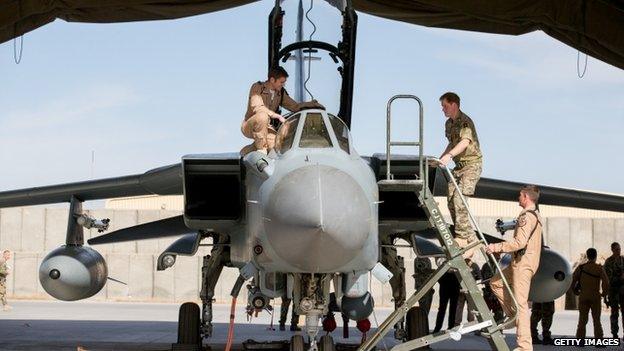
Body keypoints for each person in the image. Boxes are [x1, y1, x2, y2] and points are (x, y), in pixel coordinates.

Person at [486, 185, 543, 351]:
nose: (518, 198)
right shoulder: (532, 215)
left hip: (523, 264)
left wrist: (496, 247)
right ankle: (513, 317)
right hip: (518, 263)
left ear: (526, 196)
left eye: (520, 195)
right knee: (496, 282)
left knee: (521, 304)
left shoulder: (527, 216)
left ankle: (524, 347)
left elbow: (519, 243)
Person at [437, 92, 482, 258]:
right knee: (451, 200)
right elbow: (452, 143)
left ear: (454, 105)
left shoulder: (465, 122)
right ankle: (471, 239)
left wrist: (449, 156)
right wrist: (441, 157)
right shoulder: (449, 124)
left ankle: (463, 238)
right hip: (458, 167)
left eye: (445, 106)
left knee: (459, 200)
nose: (443, 109)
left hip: (471, 165)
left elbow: (464, 142)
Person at [241, 66, 323, 155]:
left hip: (267, 127)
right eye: (281, 82)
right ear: (272, 80)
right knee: (262, 116)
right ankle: (261, 150)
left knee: (275, 148)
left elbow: (294, 106)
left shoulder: (280, 93)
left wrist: (312, 104)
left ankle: (247, 151)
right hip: (250, 125)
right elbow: (257, 107)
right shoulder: (257, 87)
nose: (283, 85)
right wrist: (277, 116)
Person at [571, 248, 609, 344]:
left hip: (583, 296)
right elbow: (606, 282)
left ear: (587, 256)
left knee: (582, 319)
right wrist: (604, 293)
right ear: (595, 256)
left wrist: (574, 290)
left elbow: (573, 279)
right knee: (596, 320)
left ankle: (580, 340)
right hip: (595, 296)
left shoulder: (581, 267)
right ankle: (599, 341)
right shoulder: (599, 268)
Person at [604, 242, 624, 339]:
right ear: (612, 250)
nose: (618, 251)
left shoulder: (623, 259)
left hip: (623, 290)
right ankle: (614, 334)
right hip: (613, 291)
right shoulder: (608, 262)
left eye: (619, 249)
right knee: (614, 313)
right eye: (616, 249)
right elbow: (606, 278)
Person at [454, 259, 481, 327]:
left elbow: (479, 276)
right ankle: (458, 323)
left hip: (469, 290)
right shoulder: (461, 265)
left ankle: (469, 323)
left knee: (469, 308)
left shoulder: (474, 265)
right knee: (461, 307)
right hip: (462, 290)